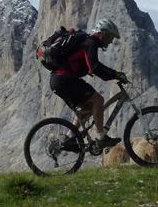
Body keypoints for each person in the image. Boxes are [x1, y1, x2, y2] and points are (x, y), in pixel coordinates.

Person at [49, 18, 128, 150]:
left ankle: (69, 138)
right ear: (104, 34)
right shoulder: (91, 42)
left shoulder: (89, 42)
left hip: (60, 80)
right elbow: (94, 67)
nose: (111, 41)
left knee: (88, 107)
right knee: (98, 100)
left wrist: (114, 74)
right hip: (64, 80)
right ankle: (100, 138)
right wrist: (116, 74)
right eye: (111, 37)